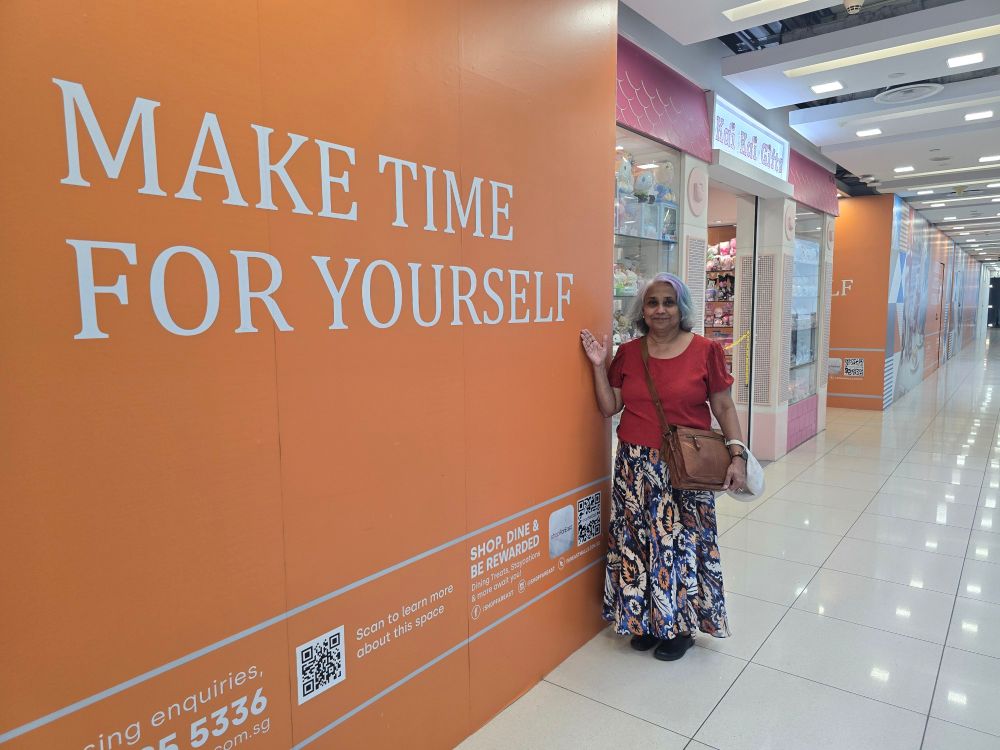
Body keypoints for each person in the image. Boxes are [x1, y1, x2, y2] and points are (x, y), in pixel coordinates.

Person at [580, 272, 745, 661]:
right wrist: (597, 364)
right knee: (638, 545)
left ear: (682, 307)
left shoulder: (706, 351)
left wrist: (737, 454)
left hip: (685, 467)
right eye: (652, 302)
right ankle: (647, 621)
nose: (660, 310)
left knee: (683, 546)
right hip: (635, 467)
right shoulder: (628, 354)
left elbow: (723, 406)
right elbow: (610, 407)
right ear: (642, 309)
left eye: (668, 302)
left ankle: (681, 627)